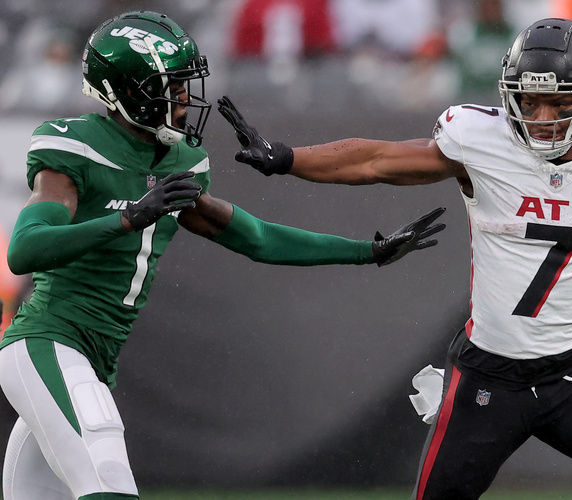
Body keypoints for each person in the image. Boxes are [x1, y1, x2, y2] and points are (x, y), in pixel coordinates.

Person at [218, 17, 572, 500]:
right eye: (528, 101)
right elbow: (376, 160)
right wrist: (288, 158)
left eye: (557, 103)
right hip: (490, 376)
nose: (541, 118)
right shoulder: (483, 144)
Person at [0, 11, 446, 500]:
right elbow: (24, 251)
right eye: (169, 88)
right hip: (48, 339)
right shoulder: (76, 148)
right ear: (125, 92)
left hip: (95, 355)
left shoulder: (180, 161)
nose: (185, 101)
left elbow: (256, 237)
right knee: (108, 479)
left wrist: (366, 252)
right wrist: (127, 218)